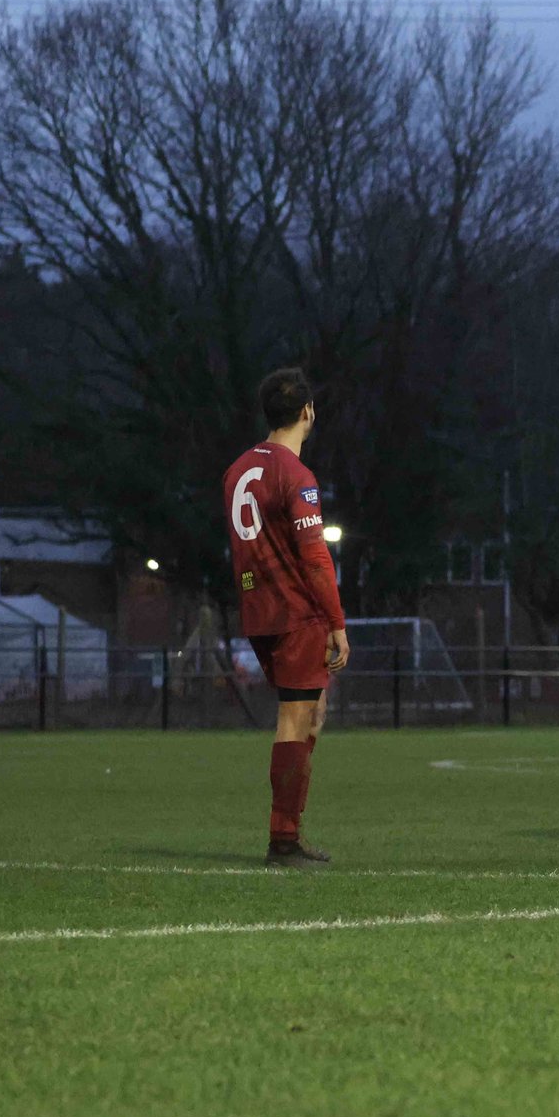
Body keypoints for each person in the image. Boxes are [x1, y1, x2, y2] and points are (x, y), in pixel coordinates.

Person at [222, 367, 350, 868]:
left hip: (259, 611)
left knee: (310, 711)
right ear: (307, 412)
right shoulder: (296, 475)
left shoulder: (236, 470)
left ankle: (289, 830)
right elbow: (315, 557)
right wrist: (336, 622)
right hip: (297, 612)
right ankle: (284, 839)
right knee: (296, 719)